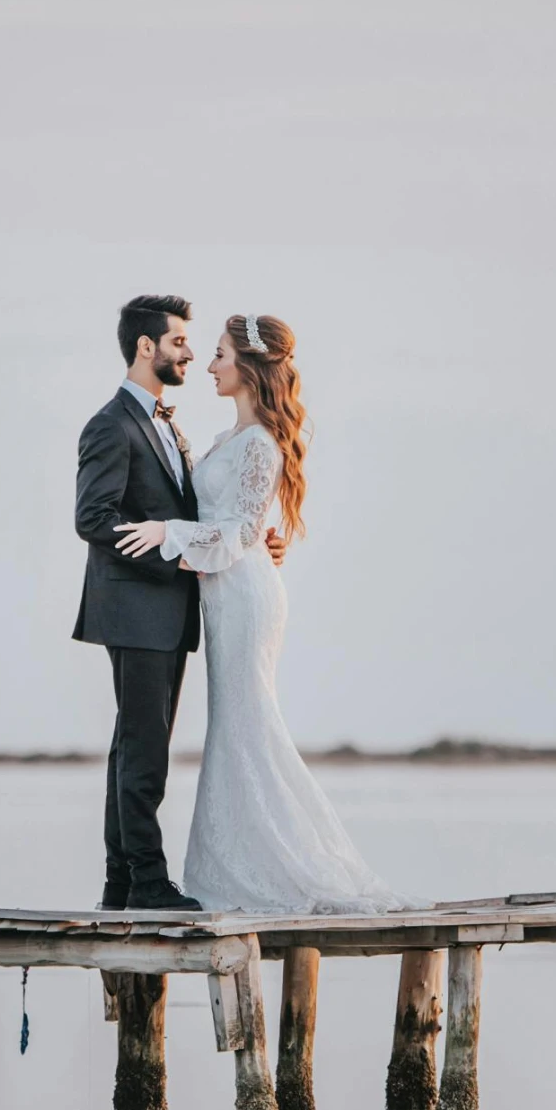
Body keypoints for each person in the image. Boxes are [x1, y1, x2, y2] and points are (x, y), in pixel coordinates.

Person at [112, 313, 395, 913]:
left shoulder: (261, 443)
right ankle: (240, 867)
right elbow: (241, 524)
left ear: (248, 367)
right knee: (235, 729)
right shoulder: (229, 440)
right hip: (225, 594)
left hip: (243, 599)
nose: (208, 366)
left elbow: (236, 532)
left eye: (218, 355)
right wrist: (244, 536)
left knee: (248, 727)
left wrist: (168, 532)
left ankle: (291, 868)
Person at [72, 295, 286, 912]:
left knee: (137, 747)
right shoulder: (111, 424)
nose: (191, 352)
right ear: (147, 347)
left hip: (172, 611)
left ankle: (120, 885)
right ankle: (146, 882)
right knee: (142, 752)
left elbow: (209, 515)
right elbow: (94, 520)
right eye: (180, 342)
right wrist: (167, 551)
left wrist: (252, 541)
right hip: (136, 609)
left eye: (198, 345)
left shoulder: (171, 425)